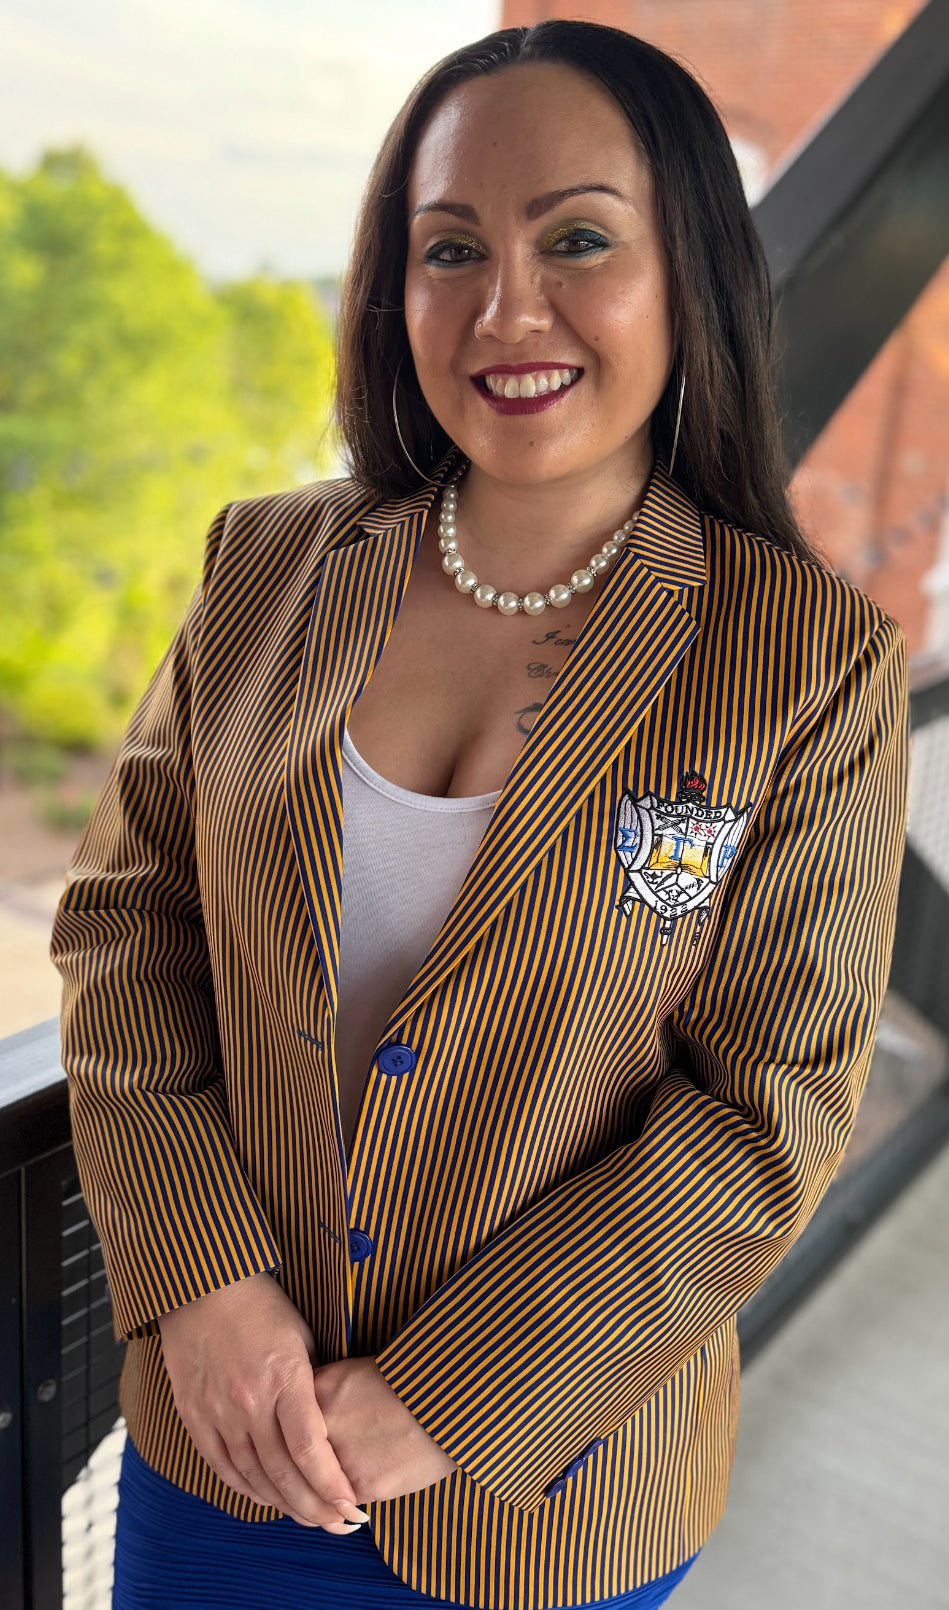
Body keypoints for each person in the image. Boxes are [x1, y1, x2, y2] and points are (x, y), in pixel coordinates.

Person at [51, 20, 909, 1610]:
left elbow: (762, 1111)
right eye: (450, 250)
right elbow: (128, 929)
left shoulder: (804, 664)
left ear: (687, 276)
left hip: (548, 1501)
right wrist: (201, 1276)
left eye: (575, 238)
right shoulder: (263, 567)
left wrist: (447, 1389)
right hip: (224, 1443)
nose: (507, 309)